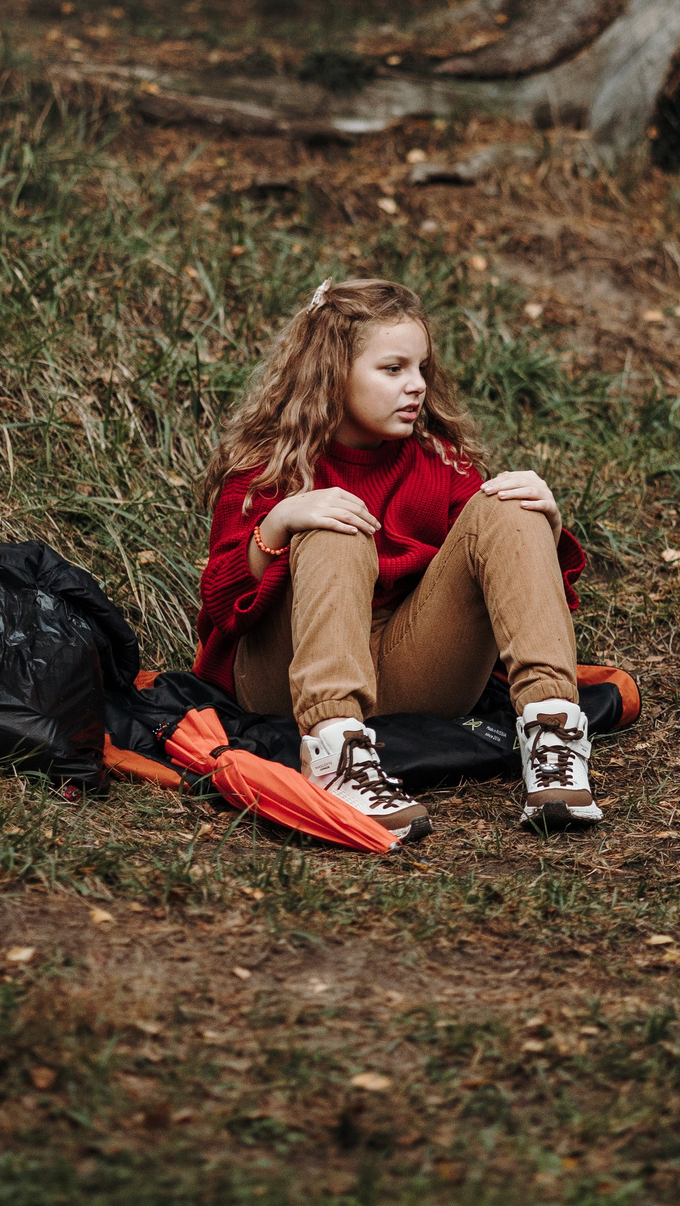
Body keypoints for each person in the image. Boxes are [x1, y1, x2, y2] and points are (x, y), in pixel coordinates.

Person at [192, 277, 597, 839]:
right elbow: (218, 601)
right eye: (393, 370)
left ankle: (552, 736)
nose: (416, 388)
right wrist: (279, 522)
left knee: (508, 501)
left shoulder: (439, 465)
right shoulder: (270, 466)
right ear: (333, 373)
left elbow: (503, 584)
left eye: (422, 370)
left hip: (408, 668)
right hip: (285, 680)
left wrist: (543, 525)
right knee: (336, 522)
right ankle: (336, 752)